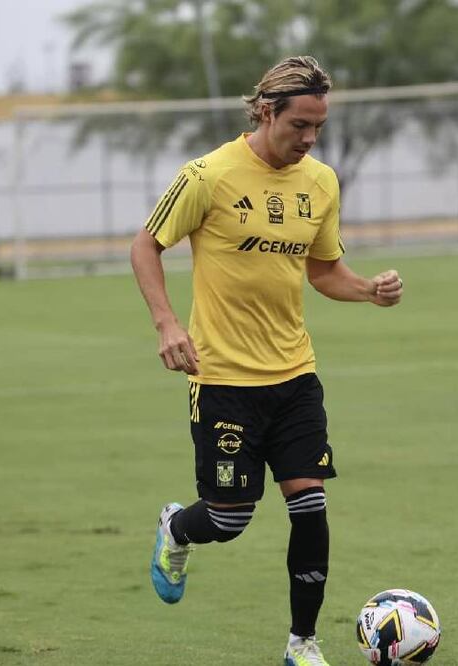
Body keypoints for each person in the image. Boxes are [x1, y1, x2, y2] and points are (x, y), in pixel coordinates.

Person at [132, 56, 403, 665]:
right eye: (298, 125)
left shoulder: (321, 182)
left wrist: (369, 291)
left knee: (310, 506)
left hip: (295, 375)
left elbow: (325, 271)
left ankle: (301, 645)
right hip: (224, 379)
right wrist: (167, 323)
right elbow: (145, 244)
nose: (309, 139)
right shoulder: (208, 175)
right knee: (229, 521)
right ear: (265, 112)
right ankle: (177, 528)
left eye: (318, 128)